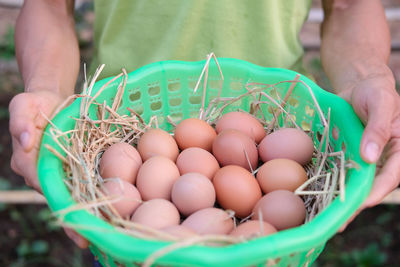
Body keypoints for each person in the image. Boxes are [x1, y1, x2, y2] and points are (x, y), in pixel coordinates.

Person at [9, 0, 400, 249]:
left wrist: (366, 75)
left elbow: (349, 6)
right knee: (144, 221)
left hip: (273, 119)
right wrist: (45, 88)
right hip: (124, 124)